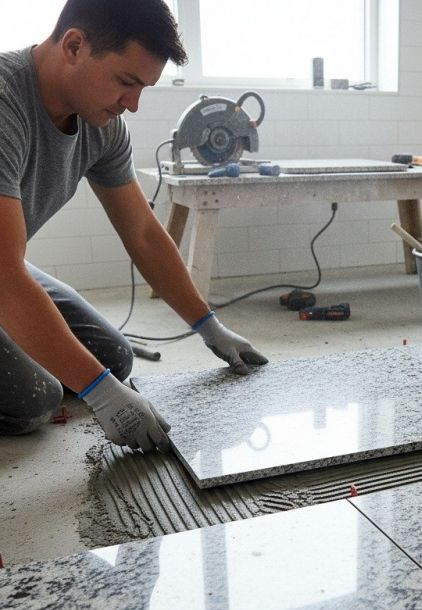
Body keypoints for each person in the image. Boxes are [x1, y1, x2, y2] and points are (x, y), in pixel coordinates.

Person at [0, 0, 267, 453]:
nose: (134, 105)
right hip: (3, 271)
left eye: (143, 87)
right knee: (34, 399)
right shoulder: (6, 103)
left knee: (114, 358)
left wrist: (208, 325)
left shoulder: (101, 124)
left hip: (7, 265)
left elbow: (142, 233)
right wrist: (101, 394)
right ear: (74, 46)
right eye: (126, 82)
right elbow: (6, 279)